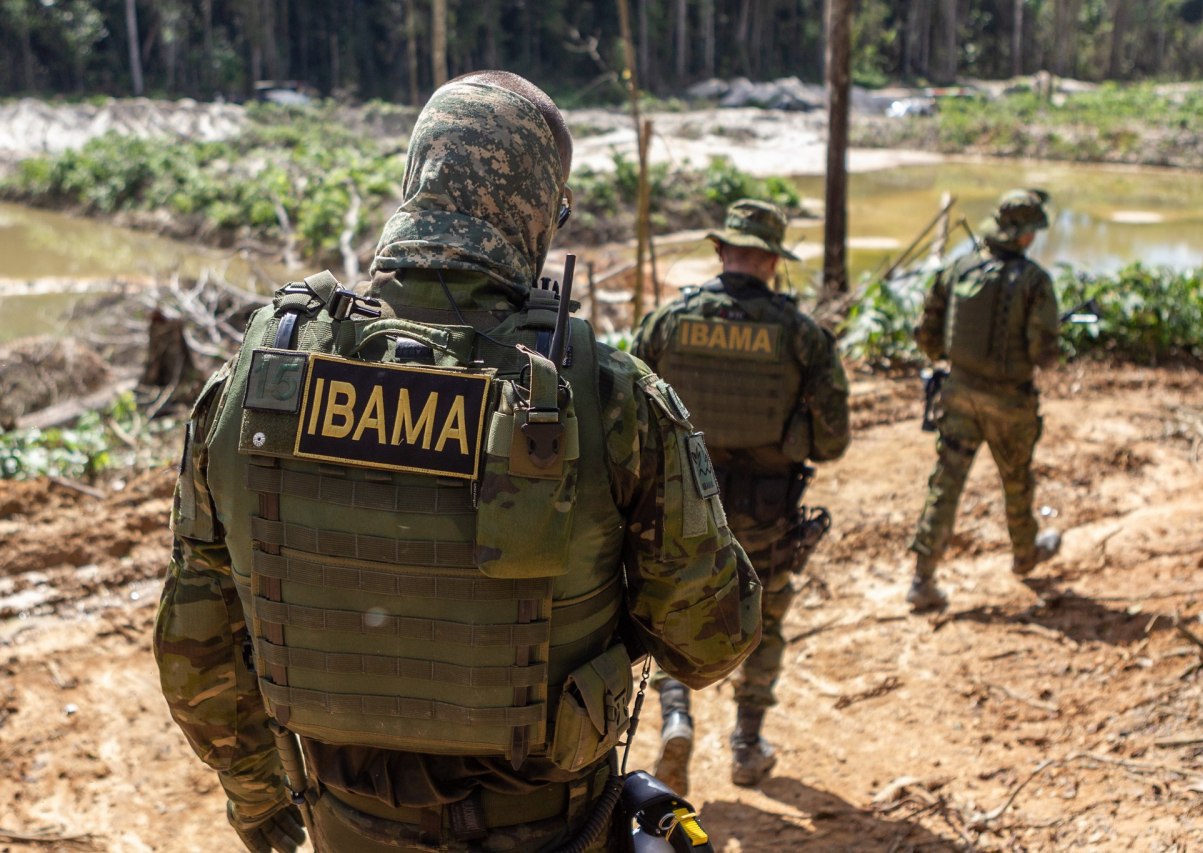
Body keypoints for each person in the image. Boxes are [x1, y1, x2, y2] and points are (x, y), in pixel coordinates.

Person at [153, 70, 761, 853]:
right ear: (543, 213)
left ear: (414, 186)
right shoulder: (610, 397)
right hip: (552, 830)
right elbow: (713, 639)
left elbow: (194, 645)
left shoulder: (258, 387)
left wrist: (261, 802)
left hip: (344, 825)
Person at [631, 199, 851, 792]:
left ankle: (676, 716)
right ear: (773, 262)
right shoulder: (803, 336)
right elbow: (833, 442)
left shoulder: (667, 323)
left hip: (677, 510)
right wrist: (787, 434)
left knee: (669, 614)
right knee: (766, 619)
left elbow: (625, 417)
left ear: (723, 251)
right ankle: (747, 746)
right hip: (765, 514)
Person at [905, 188, 1063, 614]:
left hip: (958, 395)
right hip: (1009, 403)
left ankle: (923, 577)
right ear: (1027, 234)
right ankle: (1025, 554)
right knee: (1016, 480)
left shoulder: (958, 267)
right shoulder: (1035, 281)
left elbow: (927, 334)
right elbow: (1043, 352)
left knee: (946, 483)